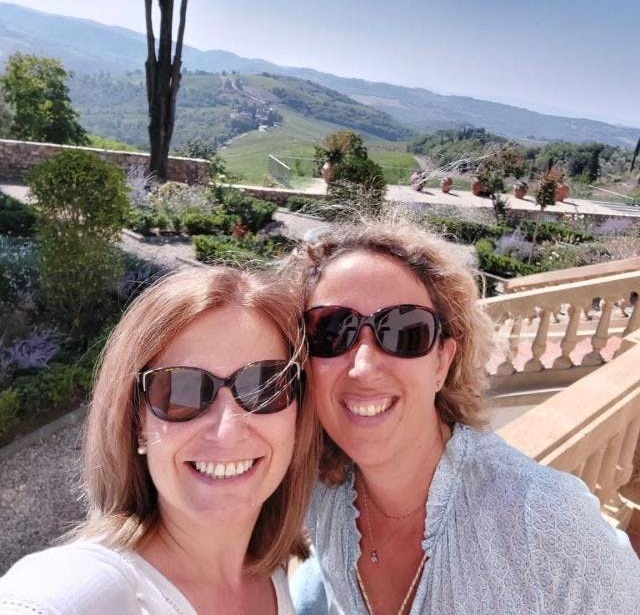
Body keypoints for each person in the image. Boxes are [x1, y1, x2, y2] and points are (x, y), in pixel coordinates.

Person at [284, 216, 640, 614]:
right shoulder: (321, 492)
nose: (364, 367)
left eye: (404, 331)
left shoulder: (545, 521)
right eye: (331, 331)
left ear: (442, 362)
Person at [0, 266, 319, 614]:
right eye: (183, 391)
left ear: (299, 414)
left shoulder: (281, 576)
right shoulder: (96, 589)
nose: (227, 431)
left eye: (264, 387)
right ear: (137, 421)